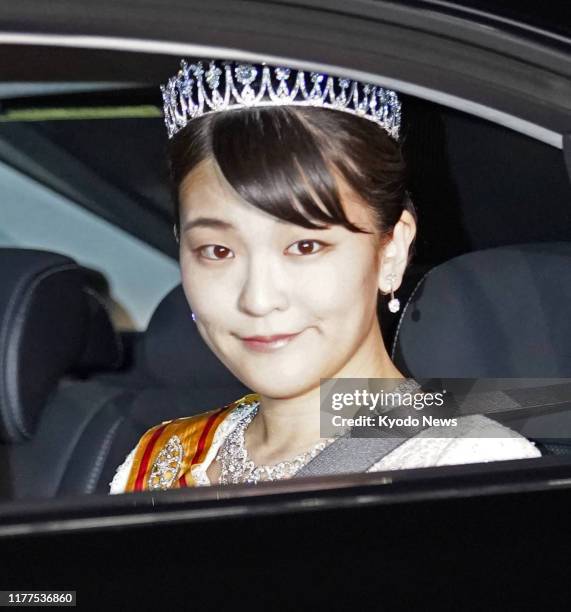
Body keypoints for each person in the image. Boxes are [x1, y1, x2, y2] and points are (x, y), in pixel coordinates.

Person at [109, 59, 540, 494]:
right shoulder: (160, 458)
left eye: (305, 246)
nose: (257, 299)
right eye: (218, 251)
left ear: (391, 250)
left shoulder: (468, 467)